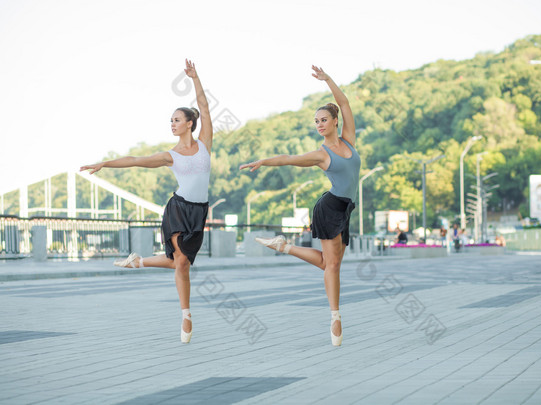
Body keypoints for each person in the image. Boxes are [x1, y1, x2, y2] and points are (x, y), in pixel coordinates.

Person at [80, 59, 213, 344]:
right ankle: (186, 314)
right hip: (178, 210)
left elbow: (204, 106)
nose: (172, 124)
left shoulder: (204, 142)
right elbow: (136, 161)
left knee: (180, 263)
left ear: (190, 124)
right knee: (181, 265)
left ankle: (138, 262)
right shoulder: (170, 155)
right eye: (171, 121)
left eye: (177, 120)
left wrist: (195, 78)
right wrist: (106, 162)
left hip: (199, 212)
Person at [239, 65, 361, 347]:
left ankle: (285, 247)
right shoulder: (321, 155)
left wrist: (328, 79)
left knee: (331, 263)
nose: (319, 124)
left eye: (323, 120)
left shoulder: (349, 141)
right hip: (330, 208)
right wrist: (264, 161)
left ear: (334, 121)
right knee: (332, 267)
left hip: (347, 209)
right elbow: (289, 158)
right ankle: (335, 318)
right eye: (316, 121)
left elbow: (344, 103)